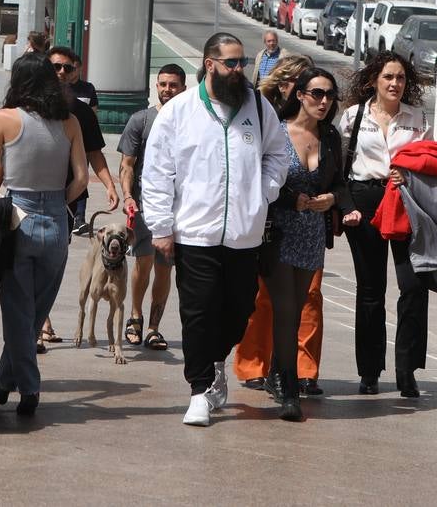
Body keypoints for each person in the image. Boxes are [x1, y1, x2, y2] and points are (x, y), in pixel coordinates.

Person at [140, 32, 291, 427]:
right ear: (210, 65)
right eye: (232, 63)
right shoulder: (179, 112)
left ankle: (216, 360)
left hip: (245, 233)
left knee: (240, 309)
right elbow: (157, 173)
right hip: (194, 233)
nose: (239, 70)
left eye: (242, 63)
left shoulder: (257, 107)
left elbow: (279, 152)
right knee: (198, 313)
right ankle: (199, 390)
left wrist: (266, 190)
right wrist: (160, 227)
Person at [0, 53, 87, 417]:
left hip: (17, 219)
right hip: (57, 221)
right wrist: (58, 204)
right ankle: (1, 384)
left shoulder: (6, 119)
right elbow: (82, 179)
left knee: (18, 313)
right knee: (35, 313)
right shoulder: (70, 122)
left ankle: (29, 387)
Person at [337, 50, 431, 399]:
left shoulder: (417, 117)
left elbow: (428, 164)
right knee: (371, 291)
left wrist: (409, 172)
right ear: (374, 79)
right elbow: (340, 165)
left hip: (407, 202)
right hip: (366, 202)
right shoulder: (352, 116)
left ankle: (407, 370)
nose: (395, 83)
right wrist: (347, 207)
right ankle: (370, 372)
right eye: (388, 77)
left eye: (401, 78)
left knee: (413, 286)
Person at [258, 66, 345, 421]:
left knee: (297, 309)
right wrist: (288, 199)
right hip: (278, 230)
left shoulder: (331, 137)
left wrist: (333, 201)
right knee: (286, 309)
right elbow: (261, 182)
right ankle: (290, 390)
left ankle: (278, 373)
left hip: (311, 234)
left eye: (329, 95)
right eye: (317, 94)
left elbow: (340, 182)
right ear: (300, 95)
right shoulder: (277, 132)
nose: (324, 102)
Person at [236, 54, 325, 396]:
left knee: (310, 298)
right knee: (264, 298)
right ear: (285, 85)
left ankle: (303, 369)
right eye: (297, 83)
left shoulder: (320, 124)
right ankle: (253, 363)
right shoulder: (261, 115)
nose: (308, 93)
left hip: (310, 223)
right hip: (269, 220)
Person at [117, 63, 187, 353]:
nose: (167, 90)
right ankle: (135, 317)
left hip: (178, 209)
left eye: (172, 85)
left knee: (164, 269)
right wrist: (128, 197)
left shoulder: (190, 121)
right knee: (142, 264)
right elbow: (127, 165)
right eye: (162, 85)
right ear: (155, 87)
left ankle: (154, 329)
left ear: (183, 88)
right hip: (145, 207)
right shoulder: (141, 120)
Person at [50, 46, 118, 237]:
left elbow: (94, 152)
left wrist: (110, 186)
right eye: (56, 67)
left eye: (67, 68)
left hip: (66, 196)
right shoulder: (26, 106)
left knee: (57, 254)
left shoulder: (82, 111)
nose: (62, 72)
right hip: (29, 196)